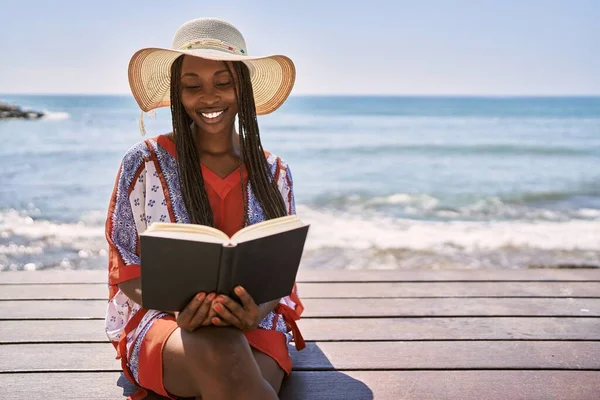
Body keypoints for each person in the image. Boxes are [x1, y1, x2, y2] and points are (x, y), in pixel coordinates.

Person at [105, 18, 305, 400]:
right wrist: (182, 310)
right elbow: (125, 269)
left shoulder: (276, 172)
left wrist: (252, 312)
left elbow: (282, 274)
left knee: (233, 365)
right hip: (164, 323)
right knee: (223, 352)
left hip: (256, 322)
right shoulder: (144, 163)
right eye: (192, 86)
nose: (209, 98)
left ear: (242, 89)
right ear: (178, 94)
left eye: (224, 83)